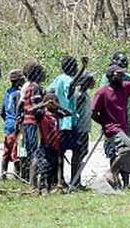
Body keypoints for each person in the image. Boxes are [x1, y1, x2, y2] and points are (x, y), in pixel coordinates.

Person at [46, 55, 88, 188]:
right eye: (75, 66)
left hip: (59, 120)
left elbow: (49, 90)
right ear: (72, 68)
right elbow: (71, 85)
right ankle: (75, 180)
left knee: (60, 153)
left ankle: (60, 180)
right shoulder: (68, 80)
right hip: (69, 121)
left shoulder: (58, 79)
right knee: (76, 152)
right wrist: (83, 68)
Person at [100, 51, 130, 188]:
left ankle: (126, 183)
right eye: (121, 61)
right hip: (112, 121)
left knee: (129, 151)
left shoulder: (128, 77)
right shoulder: (108, 79)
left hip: (127, 120)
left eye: (126, 61)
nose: (124, 64)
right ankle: (114, 179)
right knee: (113, 150)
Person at [32, 92, 70, 195]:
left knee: (52, 167)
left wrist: (59, 106)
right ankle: (40, 188)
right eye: (53, 104)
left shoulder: (57, 115)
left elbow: (68, 113)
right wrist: (44, 104)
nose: (55, 106)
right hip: (45, 146)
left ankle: (47, 189)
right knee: (44, 167)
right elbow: (31, 111)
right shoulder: (42, 115)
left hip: (55, 146)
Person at [19, 61, 47, 191]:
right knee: (36, 152)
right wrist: (45, 105)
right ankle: (33, 184)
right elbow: (35, 106)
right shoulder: (35, 87)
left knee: (32, 152)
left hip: (27, 122)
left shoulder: (28, 87)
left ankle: (32, 182)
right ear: (36, 74)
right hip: (34, 122)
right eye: (41, 72)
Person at [68, 70, 95, 188]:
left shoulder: (85, 95)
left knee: (84, 152)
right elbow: (75, 110)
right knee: (78, 154)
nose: (94, 81)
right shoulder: (80, 96)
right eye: (91, 79)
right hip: (80, 129)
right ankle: (75, 180)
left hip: (84, 129)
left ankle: (77, 178)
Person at [0, 69, 25, 180]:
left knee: (6, 151)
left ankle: (3, 175)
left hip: (7, 124)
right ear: (19, 81)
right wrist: (18, 122)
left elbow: (2, 111)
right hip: (16, 125)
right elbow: (19, 109)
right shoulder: (18, 93)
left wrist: (8, 120)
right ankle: (18, 176)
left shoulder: (7, 92)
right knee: (16, 152)